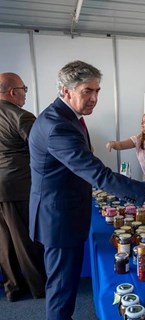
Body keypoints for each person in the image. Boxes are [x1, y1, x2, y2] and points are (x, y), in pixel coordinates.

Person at [28, 60, 145, 320]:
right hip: (59, 219)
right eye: (87, 91)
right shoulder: (58, 125)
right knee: (60, 291)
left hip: (62, 212)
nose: (94, 98)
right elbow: (98, 174)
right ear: (66, 91)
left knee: (63, 288)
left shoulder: (65, 117)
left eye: (97, 91)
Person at [0, 73, 46, 302]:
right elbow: (43, 150)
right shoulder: (21, 117)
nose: (25, 92)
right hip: (18, 186)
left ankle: (13, 288)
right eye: (24, 88)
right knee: (27, 238)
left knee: (4, 242)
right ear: (12, 92)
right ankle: (38, 287)